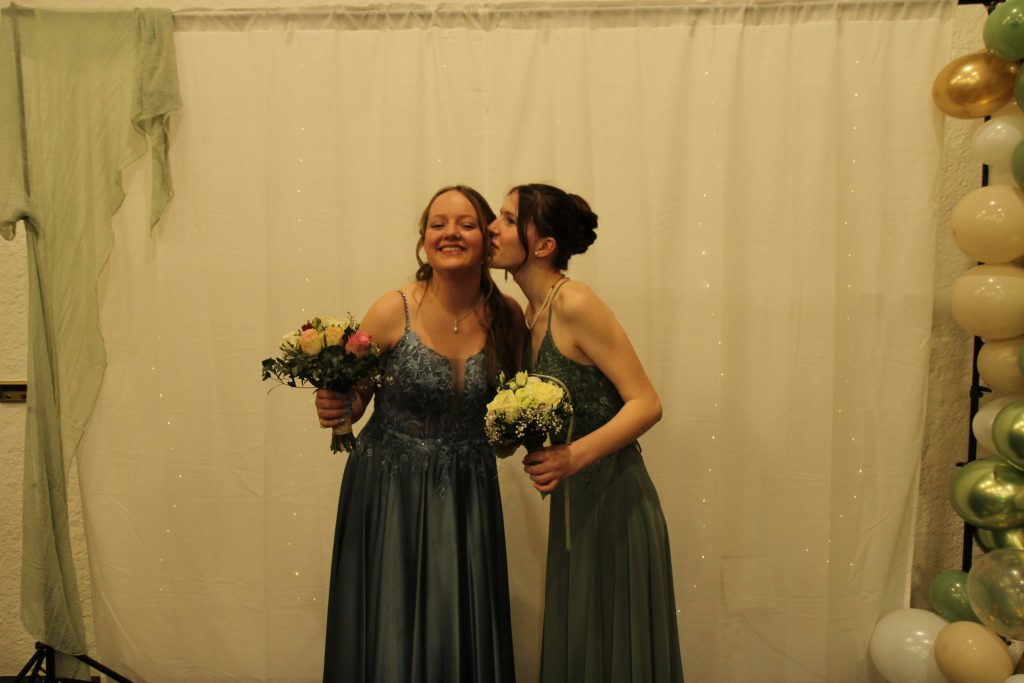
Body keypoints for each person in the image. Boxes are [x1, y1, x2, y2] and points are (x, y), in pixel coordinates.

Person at [315, 186, 523, 682]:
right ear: (424, 238)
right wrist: (335, 403)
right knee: (391, 622)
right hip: (389, 489)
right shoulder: (393, 309)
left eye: (466, 224)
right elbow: (355, 398)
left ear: (487, 238)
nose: (451, 233)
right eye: (438, 224)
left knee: (456, 624)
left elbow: (516, 410)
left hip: (468, 493)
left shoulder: (509, 317)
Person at [488, 183, 684, 682]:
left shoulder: (574, 302)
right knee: (583, 642)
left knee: (613, 646)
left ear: (544, 245)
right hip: (575, 505)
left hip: (617, 502)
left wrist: (572, 456)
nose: (492, 227)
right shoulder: (528, 313)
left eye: (507, 219)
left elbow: (647, 403)